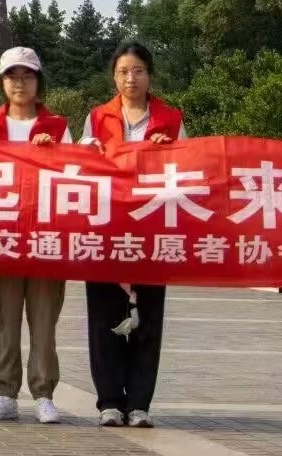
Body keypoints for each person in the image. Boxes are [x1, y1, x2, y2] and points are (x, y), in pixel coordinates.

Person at [79, 41, 185, 428]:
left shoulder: (170, 118)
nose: (131, 78)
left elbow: (189, 167)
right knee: (103, 318)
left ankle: (139, 403)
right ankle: (109, 401)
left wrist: (169, 150)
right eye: (123, 71)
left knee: (149, 320)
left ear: (150, 75)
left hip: (152, 231)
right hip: (106, 230)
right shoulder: (97, 117)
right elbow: (80, 166)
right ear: (114, 77)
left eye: (138, 71)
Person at [0, 47, 70, 425]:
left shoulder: (58, 127)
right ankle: (5, 393)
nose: (20, 83)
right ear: (2, 82)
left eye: (27, 76)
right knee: (6, 320)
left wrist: (53, 154)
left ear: (38, 81)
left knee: (44, 323)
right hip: (4, 238)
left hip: (46, 238)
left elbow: (75, 176)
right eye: (12, 76)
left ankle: (44, 394)